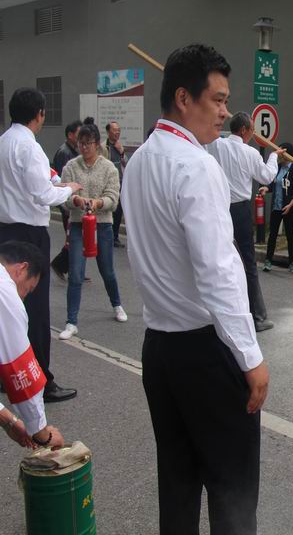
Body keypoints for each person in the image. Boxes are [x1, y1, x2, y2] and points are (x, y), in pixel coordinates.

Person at [121, 44, 269, 535]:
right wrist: (250, 356)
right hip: (206, 352)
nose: (225, 113)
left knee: (178, 487)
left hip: (160, 352)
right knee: (232, 492)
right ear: (184, 98)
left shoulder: (139, 162)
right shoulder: (196, 166)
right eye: (218, 100)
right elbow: (219, 272)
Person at [0, 87, 82, 404]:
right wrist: (69, 189)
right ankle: (41, 382)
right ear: (40, 114)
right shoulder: (29, 146)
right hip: (29, 235)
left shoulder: (4, 142)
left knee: (7, 306)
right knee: (35, 308)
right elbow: (43, 195)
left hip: (5, 231)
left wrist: (55, 183)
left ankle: (7, 376)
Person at [206, 111, 281, 332]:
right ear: (243, 130)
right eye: (252, 130)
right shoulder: (250, 153)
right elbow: (267, 176)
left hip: (219, 209)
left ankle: (220, 315)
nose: (253, 133)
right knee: (248, 263)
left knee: (220, 262)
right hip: (239, 211)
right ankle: (257, 317)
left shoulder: (216, 146)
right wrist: (274, 156)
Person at [57, 123, 127, 341]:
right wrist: (76, 200)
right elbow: (64, 198)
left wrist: (98, 203)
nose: (84, 147)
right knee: (76, 273)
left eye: (88, 143)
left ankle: (117, 304)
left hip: (102, 224)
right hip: (78, 224)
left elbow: (113, 198)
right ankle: (71, 322)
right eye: (81, 143)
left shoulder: (108, 168)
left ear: (97, 144)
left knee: (107, 270)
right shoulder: (70, 166)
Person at [0, 241, 65, 449]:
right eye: (27, 290)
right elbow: (20, 370)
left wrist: (9, 421)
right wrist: (42, 433)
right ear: (21, 269)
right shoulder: (5, 291)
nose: (23, 297)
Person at [50, 120, 83, 281]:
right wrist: (66, 205)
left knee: (75, 239)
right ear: (70, 135)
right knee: (73, 239)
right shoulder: (64, 153)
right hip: (67, 203)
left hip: (72, 199)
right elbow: (62, 180)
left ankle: (73, 269)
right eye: (79, 134)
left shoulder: (73, 151)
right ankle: (64, 266)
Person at [263, 142, 293, 274]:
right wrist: (266, 188)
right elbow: (273, 184)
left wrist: (291, 204)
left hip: (288, 207)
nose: (279, 155)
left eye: (281, 152)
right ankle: (268, 260)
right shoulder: (278, 167)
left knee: (290, 234)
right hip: (277, 206)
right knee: (272, 234)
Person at [104, 121, 128, 248]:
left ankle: (115, 236)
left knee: (119, 211)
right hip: (109, 184)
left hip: (120, 182)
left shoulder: (119, 146)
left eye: (119, 130)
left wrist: (122, 152)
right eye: (115, 130)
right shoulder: (104, 147)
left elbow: (126, 163)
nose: (117, 132)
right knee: (110, 211)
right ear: (108, 132)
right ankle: (108, 237)